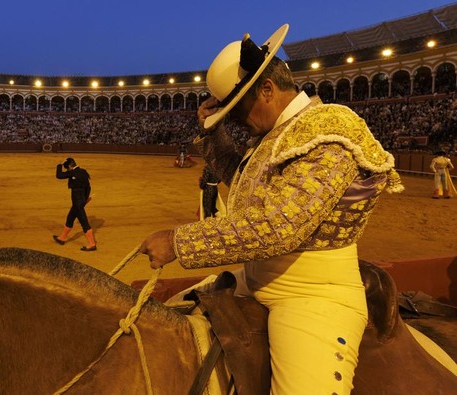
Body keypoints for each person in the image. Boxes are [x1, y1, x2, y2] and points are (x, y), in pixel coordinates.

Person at [139, 24, 406, 394]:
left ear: (267, 88)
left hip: (314, 295)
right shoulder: (274, 134)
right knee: (167, 315)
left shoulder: (330, 126)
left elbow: (281, 226)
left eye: (238, 108)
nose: (234, 118)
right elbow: (245, 182)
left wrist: (178, 241)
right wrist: (213, 133)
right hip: (256, 279)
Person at [53, 157, 97, 251]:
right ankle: (62, 238)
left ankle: (92, 244)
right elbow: (88, 187)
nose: (67, 170)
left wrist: (59, 164)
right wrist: (85, 200)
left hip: (77, 202)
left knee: (84, 222)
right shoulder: (83, 172)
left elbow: (59, 175)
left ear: (69, 166)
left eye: (67, 168)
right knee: (70, 218)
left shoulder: (73, 172)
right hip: (79, 201)